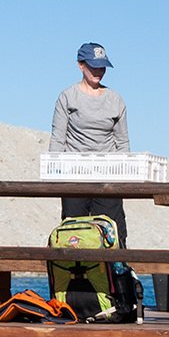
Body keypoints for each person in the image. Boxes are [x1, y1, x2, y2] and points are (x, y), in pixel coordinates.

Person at [49, 41, 130, 244]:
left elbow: (122, 142)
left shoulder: (115, 100)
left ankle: (117, 265)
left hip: (108, 177)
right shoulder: (67, 97)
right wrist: (54, 174)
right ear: (81, 65)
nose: (98, 71)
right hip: (74, 176)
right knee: (74, 232)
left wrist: (124, 178)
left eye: (102, 67)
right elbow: (58, 137)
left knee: (113, 232)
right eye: (94, 66)